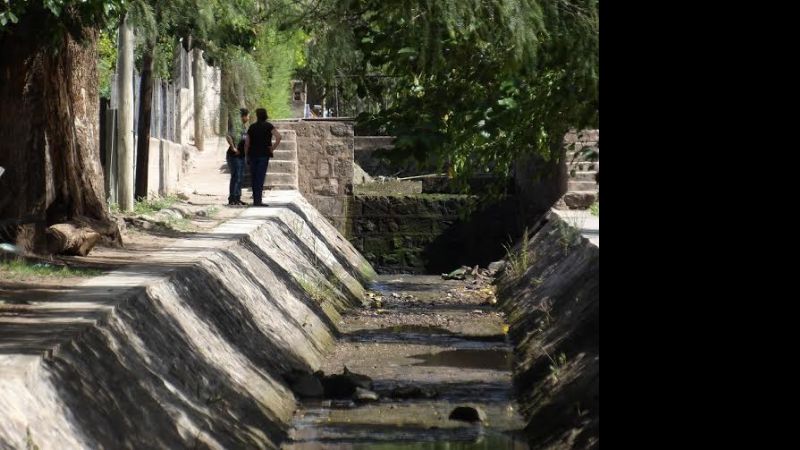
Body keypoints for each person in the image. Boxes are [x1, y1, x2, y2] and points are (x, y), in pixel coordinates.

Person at [245, 108, 281, 207]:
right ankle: (258, 201)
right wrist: (272, 148)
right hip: (264, 155)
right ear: (265, 115)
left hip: (253, 155)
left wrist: (246, 155)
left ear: (257, 116)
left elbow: (247, 143)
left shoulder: (252, 127)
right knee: (260, 178)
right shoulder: (269, 126)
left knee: (254, 177)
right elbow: (278, 137)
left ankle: (256, 200)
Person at [225, 108, 249, 206]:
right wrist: (233, 147)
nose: (248, 118)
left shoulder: (243, 127)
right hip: (234, 156)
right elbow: (228, 136)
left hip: (241, 156)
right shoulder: (236, 126)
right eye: (247, 116)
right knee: (236, 177)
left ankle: (237, 198)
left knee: (240, 177)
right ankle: (232, 199)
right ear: (243, 116)